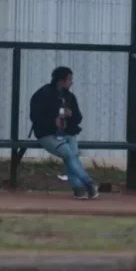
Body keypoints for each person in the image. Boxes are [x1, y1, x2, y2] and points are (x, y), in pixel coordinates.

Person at [29, 66, 98, 200]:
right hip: (48, 134)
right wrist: (52, 122)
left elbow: (78, 118)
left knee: (72, 156)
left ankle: (78, 189)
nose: (71, 82)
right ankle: (88, 183)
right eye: (69, 79)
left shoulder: (70, 97)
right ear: (60, 80)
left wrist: (71, 114)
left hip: (68, 132)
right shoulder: (43, 94)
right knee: (69, 154)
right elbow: (35, 117)